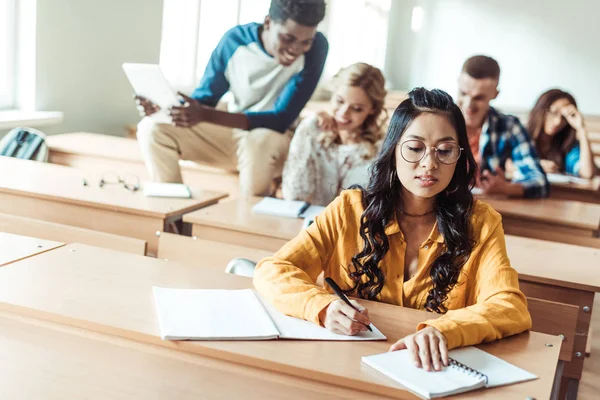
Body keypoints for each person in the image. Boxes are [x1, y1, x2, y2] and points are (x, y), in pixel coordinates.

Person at [254, 88, 531, 371]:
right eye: (414, 148)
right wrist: (321, 307)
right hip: (347, 366)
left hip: (431, 371)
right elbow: (272, 270)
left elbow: (509, 306)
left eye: (445, 151)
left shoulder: (480, 223)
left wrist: (446, 330)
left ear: (459, 157)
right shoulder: (349, 210)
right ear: (394, 149)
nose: (429, 164)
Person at [135, 0, 328, 197]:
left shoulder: (317, 48)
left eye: (306, 42)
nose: (295, 49)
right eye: (287, 38)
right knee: (151, 128)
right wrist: (168, 109)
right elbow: (205, 100)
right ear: (268, 22)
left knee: (259, 141)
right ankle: (172, 214)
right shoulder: (235, 41)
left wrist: (205, 115)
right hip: (233, 136)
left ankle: (247, 220)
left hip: (276, 143)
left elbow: (280, 119)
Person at [282, 62, 387, 206]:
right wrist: (306, 129)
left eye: (357, 108)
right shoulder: (314, 131)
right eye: (339, 101)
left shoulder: (382, 147)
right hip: (313, 224)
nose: (343, 113)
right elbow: (294, 195)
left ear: (373, 109)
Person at [456, 55, 549, 198]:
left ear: (495, 94)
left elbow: (539, 181)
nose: (469, 104)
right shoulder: (438, 120)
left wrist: (506, 188)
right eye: (463, 93)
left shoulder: (509, 126)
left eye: (479, 97)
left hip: (483, 210)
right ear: (458, 83)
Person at [527, 89, 596, 179]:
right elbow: (507, 164)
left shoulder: (568, 146)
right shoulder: (521, 136)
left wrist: (581, 129)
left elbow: (587, 174)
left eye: (564, 117)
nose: (558, 122)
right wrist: (535, 165)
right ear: (540, 110)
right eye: (552, 112)